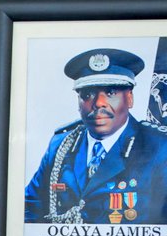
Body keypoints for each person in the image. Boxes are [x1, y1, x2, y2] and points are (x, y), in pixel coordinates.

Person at [24, 48, 167, 224]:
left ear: (129, 98)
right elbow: (29, 210)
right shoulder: (60, 145)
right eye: (87, 94)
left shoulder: (159, 148)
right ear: (78, 101)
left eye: (111, 93)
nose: (98, 103)